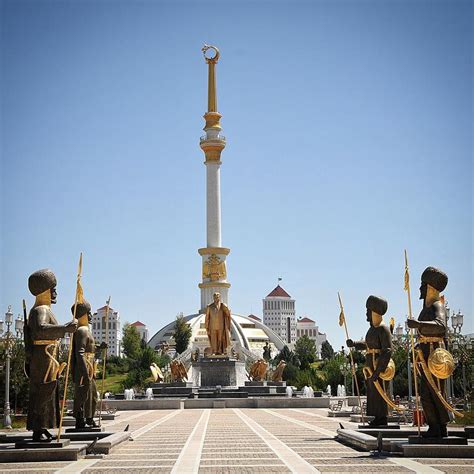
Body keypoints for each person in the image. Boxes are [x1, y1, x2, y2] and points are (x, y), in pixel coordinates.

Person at [25, 269, 77, 442]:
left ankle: (42, 426)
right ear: (43, 290)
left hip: (48, 356)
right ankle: (37, 428)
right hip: (42, 356)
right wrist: (64, 328)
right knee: (43, 390)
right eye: (52, 289)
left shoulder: (46, 310)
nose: (55, 293)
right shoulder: (40, 310)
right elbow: (40, 330)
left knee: (48, 391)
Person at [406, 266, 450, 438]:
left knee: (437, 391)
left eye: (422, 285)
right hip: (424, 356)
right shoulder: (425, 309)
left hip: (436, 356)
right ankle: (433, 426)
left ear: (430, 286)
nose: (420, 288)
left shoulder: (437, 305)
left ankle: (441, 425)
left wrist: (418, 324)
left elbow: (441, 326)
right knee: (425, 393)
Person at [347, 295, 392, 427]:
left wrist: (378, 371)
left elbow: (387, 350)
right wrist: (354, 343)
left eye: (368, 310)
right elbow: (368, 345)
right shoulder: (372, 329)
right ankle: (377, 418)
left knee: (380, 392)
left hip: (379, 367)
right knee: (373, 393)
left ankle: (382, 418)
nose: (366, 313)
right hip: (370, 366)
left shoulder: (383, 329)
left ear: (374, 311)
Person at [71, 300, 106, 429]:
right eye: (88, 313)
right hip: (83, 368)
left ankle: (90, 419)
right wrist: (84, 372)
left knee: (92, 395)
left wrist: (99, 347)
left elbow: (89, 348)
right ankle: (80, 421)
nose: (91, 316)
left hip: (90, 367)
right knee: (82, 394)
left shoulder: (86, 331)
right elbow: (80, 353)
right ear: (82, 315)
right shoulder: (81, 331)